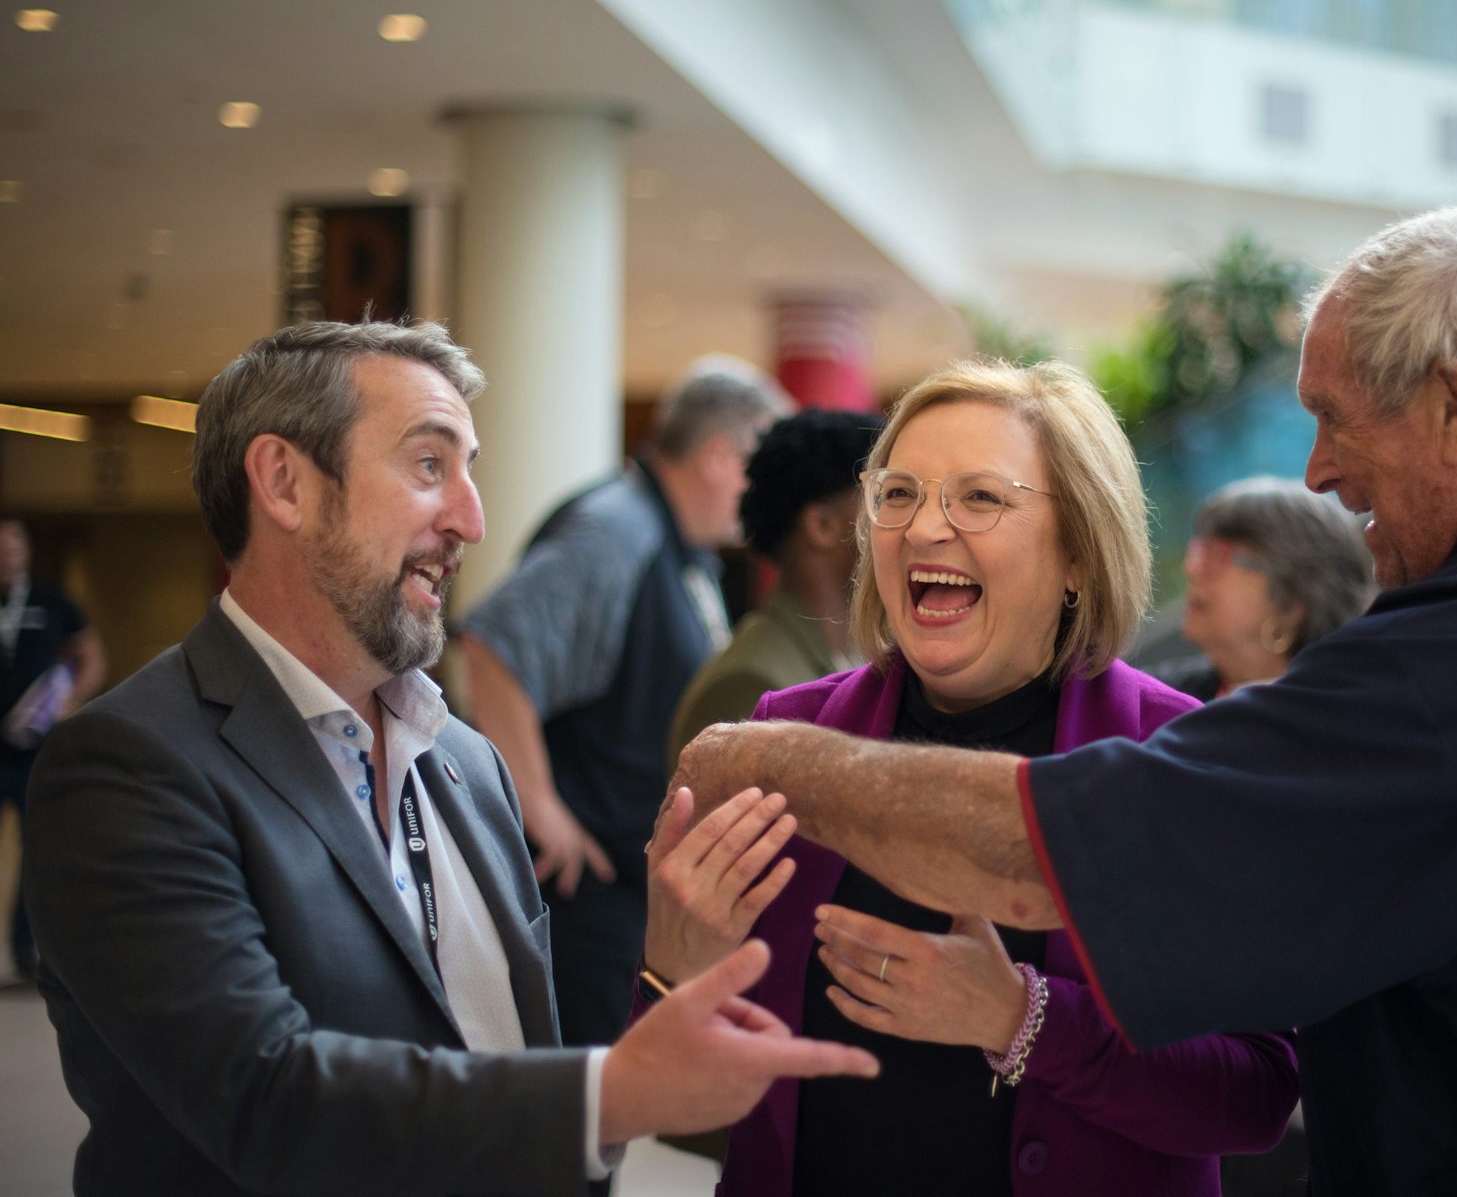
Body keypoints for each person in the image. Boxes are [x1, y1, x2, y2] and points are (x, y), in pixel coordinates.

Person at [669, 207, 1457, 1194]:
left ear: (1449, 404)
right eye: (899, 492)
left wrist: (768, 762)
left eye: (1332, 416)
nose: (1317, 469)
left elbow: (1056, 865)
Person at [24, 321, 876, 1197]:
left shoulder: (464, 760)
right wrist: (608, 1095)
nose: (471, 518)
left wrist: (666, 964)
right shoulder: (127, 766)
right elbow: (264, 1099)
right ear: (283, 482)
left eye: (469, 470)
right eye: (429, 465)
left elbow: (504, 1056)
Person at [643, 358, 1297, 1196]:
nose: (922, 529)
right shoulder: (782, 737)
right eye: (899, 494)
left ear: (1077, 552)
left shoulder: (1184, 756)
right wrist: (672, 963)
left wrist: (1019, 1019)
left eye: (980, 497)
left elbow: (1255, 1096)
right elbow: (680, 1102)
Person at [461, 355, 790, 1045]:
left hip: (629, 901)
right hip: (584, 904)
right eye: (771, 464)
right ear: (722, 458)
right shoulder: (617, 527)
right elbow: (493, 647)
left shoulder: (685, 546)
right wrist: (540, 805)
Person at [666, 408, 885, 765]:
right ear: (822, 525)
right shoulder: (751, 682)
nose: (902, 522)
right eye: (882, 498)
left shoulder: (851, 652)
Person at [0, 518, 105, 984]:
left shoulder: (49, 599)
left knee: (35, 848)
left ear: (25, 551)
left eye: (13, 548)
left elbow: (90, 654)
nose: (7, 556)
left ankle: (26, 953)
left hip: (33, 748)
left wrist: (69, 700)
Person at [1156, 477, 1371, 701]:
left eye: (1217, 557)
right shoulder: (1157, 702)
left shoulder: (1357, 707)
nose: (1192, 569)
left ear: (1291, 600)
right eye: (1199, 552)